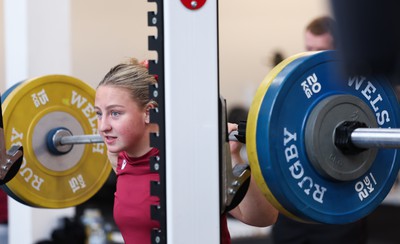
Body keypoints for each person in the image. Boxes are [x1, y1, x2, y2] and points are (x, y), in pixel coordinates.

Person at [94, 58, 278, 244]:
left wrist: (231, 155)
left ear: (149, 112)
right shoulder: (120, 158)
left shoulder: (192, 161)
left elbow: (263, 218)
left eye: (115, 113)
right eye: (99, 113)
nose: (103, 126)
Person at [271, 16, 368, 244]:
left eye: (321, 49)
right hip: (292, 210)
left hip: (339, 211)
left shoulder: (359, 92)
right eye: (309, 48)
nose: (312, 56)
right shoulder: (291, 90)